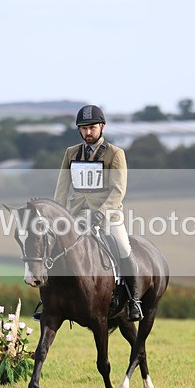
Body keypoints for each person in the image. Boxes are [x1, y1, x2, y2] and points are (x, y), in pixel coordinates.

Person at [51, 104, 143, 322]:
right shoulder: (71, 153)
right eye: (83, 129)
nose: (88, 133)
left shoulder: (115, 154)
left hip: (108, 214)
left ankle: (134, 301)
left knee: (123, 248)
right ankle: (49, 301)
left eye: (92, 127)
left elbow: (118, 190)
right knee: (53, 247)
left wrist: (101, 214)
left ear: (102, 126)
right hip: (75, 214)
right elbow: (62, 188)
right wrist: (56, 215)